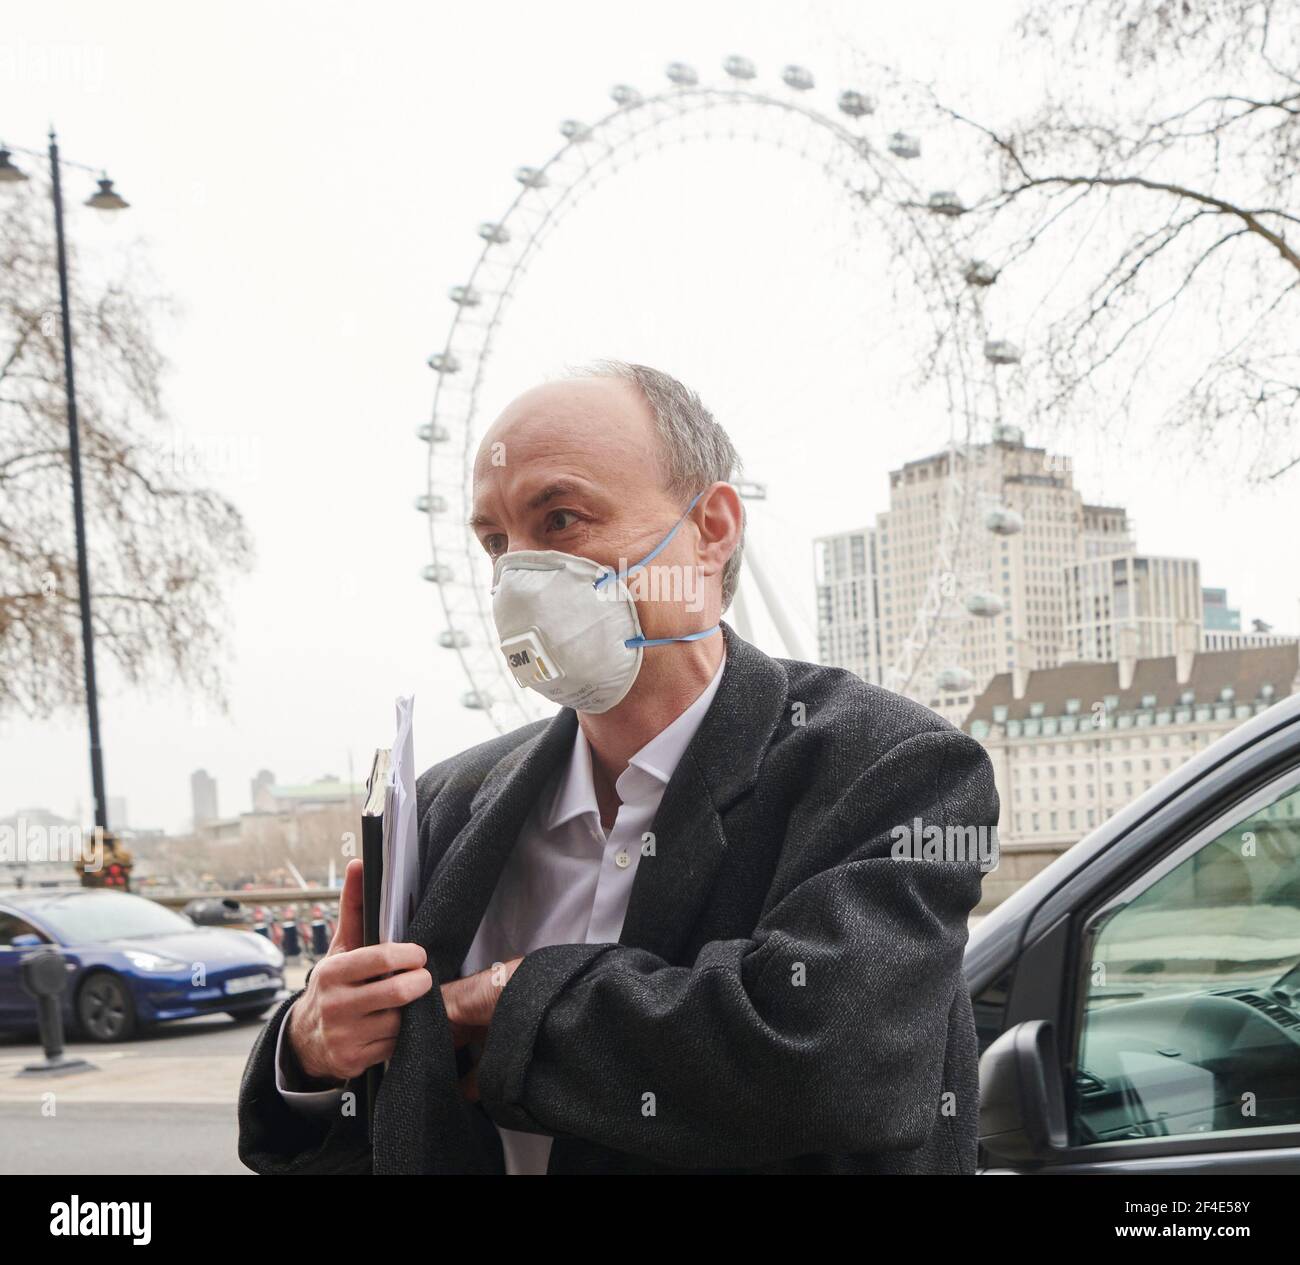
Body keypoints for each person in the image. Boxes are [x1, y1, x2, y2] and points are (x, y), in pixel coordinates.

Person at [237, 359, 999, 1175]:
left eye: (561, 519)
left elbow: (829, 1062)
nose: (518, 576)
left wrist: (508, 999)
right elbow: (375, 1128)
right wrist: (310, 1051)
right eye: (495, 540)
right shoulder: (442, 809)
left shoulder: (893, 768)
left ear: (711, 529)